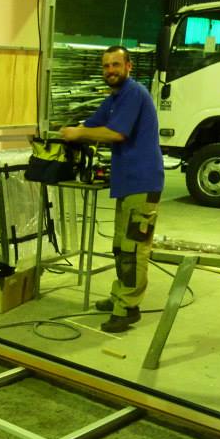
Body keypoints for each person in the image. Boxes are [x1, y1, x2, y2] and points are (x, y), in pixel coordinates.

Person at [59, 45, 164, 333]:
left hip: (143, 181)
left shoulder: (134, 93)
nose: (110, 71)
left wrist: (80, 133)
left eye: (116, 65)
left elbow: (116, 133)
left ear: (129, 66)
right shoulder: (114, 99)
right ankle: (120, 296)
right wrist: (68, 131)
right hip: (127, 182)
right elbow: (93, 123)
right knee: (121, 246)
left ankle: (128, 308)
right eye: (106, 66)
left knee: (133, 248)